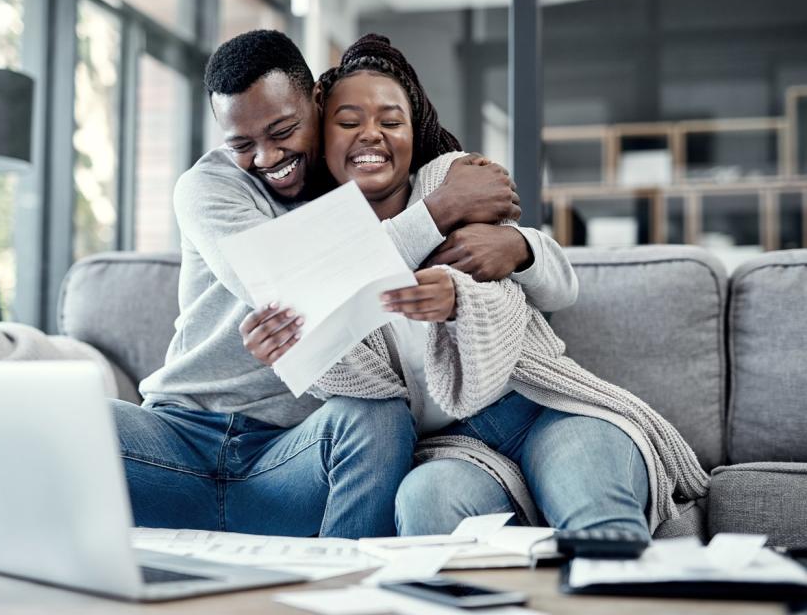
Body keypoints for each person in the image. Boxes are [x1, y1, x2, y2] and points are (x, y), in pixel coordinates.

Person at [242, 34, 709, 539]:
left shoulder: (453, 182)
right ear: (321, 136)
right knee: (426, 503)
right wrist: (296, 345)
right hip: (453, 447)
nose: (371, 134)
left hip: (541, 406)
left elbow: (537, 289)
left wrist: (505, 259)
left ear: (413, 134)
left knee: (596, 518)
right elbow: (358, 380)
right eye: (349, 122)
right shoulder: (314, 246)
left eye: (391, 122)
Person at [109, 29, 561, 539]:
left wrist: (521, 247)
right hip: (178, 439)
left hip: (290, 459)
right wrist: (442, 211)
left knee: (378, 417)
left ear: (318, 100)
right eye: (242, 144)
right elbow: (289, 283)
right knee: (68, 419)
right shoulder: (207, 187)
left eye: (282, 131)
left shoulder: (367, 185)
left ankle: (346, 589)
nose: (266, 158)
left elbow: (522, 275)